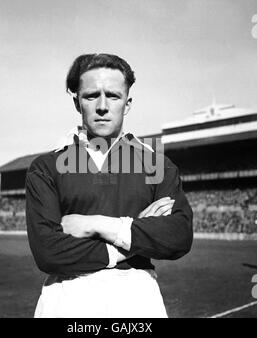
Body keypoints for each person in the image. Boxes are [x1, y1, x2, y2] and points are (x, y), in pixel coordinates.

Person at [26, 53, 193, 318]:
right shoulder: (46, 167)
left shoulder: (157, 165)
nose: (102, 106)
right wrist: (135, 232)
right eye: (91, 95)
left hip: (139, 306)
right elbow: (48, 253)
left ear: (127, 104)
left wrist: (97, 225)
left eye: (113, 96)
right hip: (66, 304)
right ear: (76, 102)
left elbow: (178, 238)